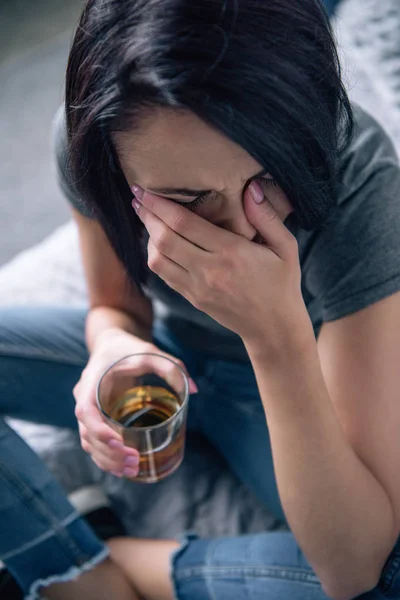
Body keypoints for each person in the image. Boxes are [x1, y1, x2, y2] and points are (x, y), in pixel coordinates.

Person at [1, 0, 400, 598]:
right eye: (188, 200)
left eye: (267, 180)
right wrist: (112, 345)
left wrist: (277, 338)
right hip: (173, 357)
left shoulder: (362, 180)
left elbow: (353, 567)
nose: (240, 232)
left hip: (304, 383)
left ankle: (116, 560)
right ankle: (70, 566)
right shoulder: (95, 140)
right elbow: (116, 304)